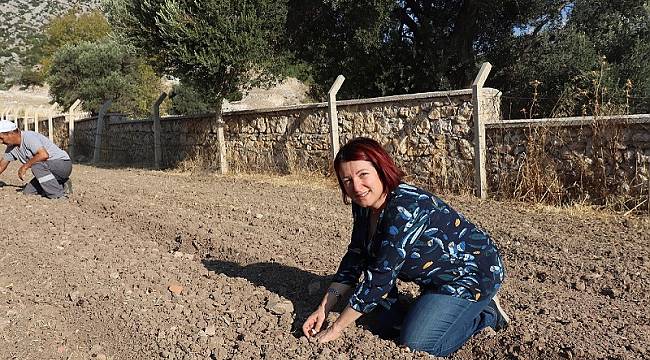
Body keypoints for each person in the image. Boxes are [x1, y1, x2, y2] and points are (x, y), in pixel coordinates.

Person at [302, 137, 509, 357]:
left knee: (417, 344)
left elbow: (380, 276)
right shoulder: (363, 204)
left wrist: (336, 328)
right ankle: (428, 308)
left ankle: (487, 314)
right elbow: (357, 254)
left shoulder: (405, 207)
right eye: (347, 180)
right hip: (433, 279)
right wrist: (323, 308)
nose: (356, 186)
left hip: (472, 275)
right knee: (383, 324)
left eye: (363, 174)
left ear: (381, 169)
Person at [0, 119, 72, 199]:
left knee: (36, 165)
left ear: (11, 133)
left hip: (62, 164)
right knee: (28, 191)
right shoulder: (11, 148)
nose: (0, 142)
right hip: (48, 169)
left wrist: (25, 166)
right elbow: (1, 166)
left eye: (1, 138)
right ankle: (62, 183)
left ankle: (58, 195)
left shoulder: (28, 137)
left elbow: (43, 155)